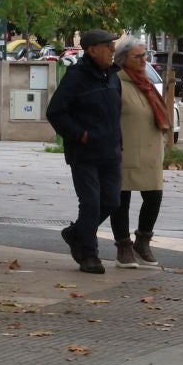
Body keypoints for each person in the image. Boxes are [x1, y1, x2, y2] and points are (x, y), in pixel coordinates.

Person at [46, 28, 123, 274]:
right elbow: (55, 112)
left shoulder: (112, 77)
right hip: (85, 153)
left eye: (113, 45)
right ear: (92, 50)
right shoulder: (76, 77)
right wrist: (81, 135)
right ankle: (89, 254)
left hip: (110, 152)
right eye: (108, 45)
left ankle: (76, 233)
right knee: (90, 202)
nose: (113, 50)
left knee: (111, 201)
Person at [110, 37, 168, 269]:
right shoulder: (116, 83)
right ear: (124, 60)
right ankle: (123, 245)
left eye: (145, 56)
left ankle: (143, 241)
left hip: (151, 152)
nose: (144, 60)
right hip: (126, 151)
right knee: (121, 199)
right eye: (138, 56)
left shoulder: (145, 83)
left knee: (154, 196)